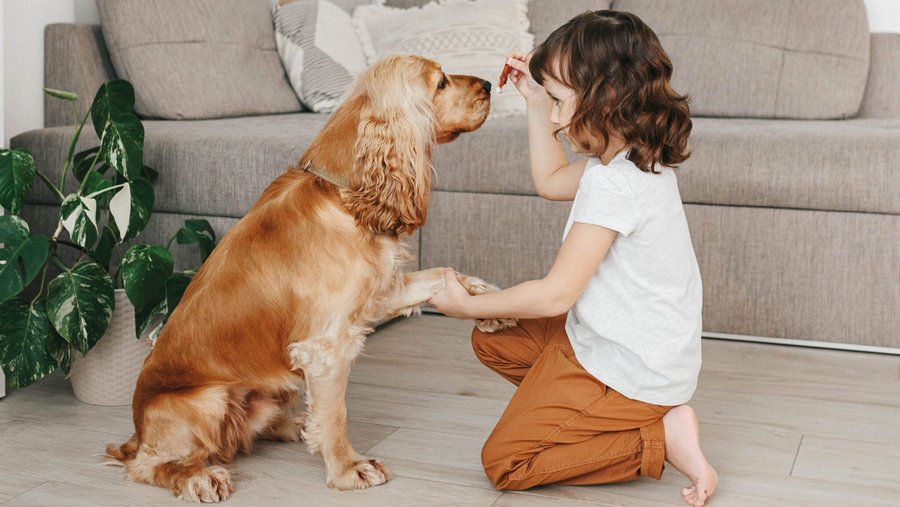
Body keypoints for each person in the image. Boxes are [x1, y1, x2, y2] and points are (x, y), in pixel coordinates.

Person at [428, 10, 717, 507]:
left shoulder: (615, 184)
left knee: (506, 463)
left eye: (561, 102)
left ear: (606, 99)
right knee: (495, 342)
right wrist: (538, 103)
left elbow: (557, 293)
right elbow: (550, 182)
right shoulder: (629, 162)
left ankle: (653, 437)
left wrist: (464, 305)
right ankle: (585, 411)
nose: (558, 119)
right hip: (626, 346)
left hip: (631, 369)